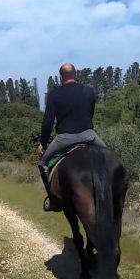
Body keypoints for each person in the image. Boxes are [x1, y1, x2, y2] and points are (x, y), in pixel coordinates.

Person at [38, 63, 106, 211]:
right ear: (76, 74)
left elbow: (48, 122)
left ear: (61, 77)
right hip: (89, 136)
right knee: (110, 157)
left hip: (64, 138)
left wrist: (43, 143)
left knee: (42, 163)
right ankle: (109, 194)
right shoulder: (88, 91)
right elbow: (90, 114)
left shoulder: (54, 95)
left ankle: (53, 200)